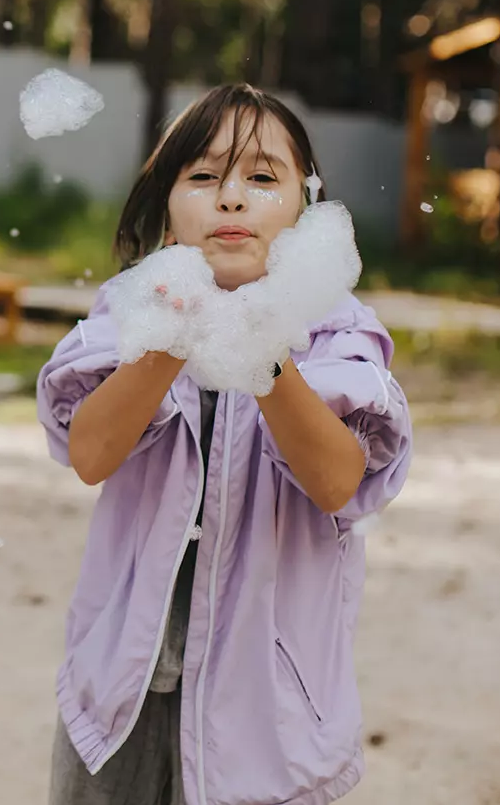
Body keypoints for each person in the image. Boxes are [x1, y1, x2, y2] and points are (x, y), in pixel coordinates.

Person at [38, 83, 412, 805]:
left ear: (309, 215)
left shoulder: (336, 332)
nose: (232, 198)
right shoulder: (130, 312)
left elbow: (338, 482)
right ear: (169, 211)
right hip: (125, 676)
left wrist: (265, 357)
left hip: (267, 688)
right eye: (204, 177)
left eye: (263, 177)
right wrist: (170, 342)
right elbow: (90, 454)